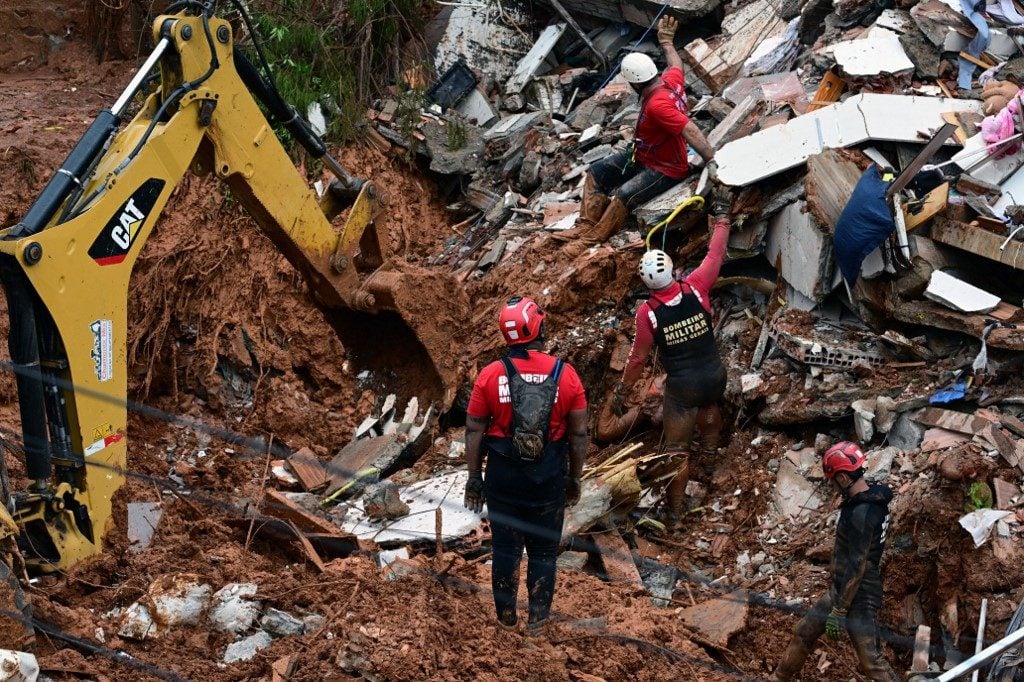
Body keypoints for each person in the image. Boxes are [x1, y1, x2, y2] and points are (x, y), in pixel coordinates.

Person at [462, 296, 589, 632]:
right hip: (546, 480)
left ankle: (505, 621)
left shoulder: (491, 375)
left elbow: (474, 429)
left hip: (502, 479)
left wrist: (474, 478)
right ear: (537, 327)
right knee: (544, 554)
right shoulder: (567, 376)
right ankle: (537, 623)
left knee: (505, 549)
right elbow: (578, 436)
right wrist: (574, 479)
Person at [610, 197, 731, 529]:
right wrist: (722, 219)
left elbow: (637, 359)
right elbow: (715, 254)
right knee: (710, 408)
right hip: (715, 375)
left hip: (683, 387)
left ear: (646, 284)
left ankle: (675, 514)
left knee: (676, 449)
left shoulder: (648, 313)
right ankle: (708, 464)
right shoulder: (696, 287)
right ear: (673, 269)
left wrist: (622, 392)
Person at [554, 15, 717, 251]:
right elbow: (675, 66)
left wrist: (710, 159)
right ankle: (584, 225)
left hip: (666, 167)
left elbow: (689, 129)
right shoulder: (670, 82)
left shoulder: (657, 106)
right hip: (643, 155)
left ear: (634, 83)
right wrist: (667, 44)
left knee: (624, 195)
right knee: (597, 173)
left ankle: (591, 239)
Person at [773, 441, 898, 682]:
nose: (831, 485)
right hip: (842, 588)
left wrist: (840, 609)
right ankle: (778, 677)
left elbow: (858, 563)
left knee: (871, 661)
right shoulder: (868, 500)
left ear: (842, 478)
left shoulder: (863, 512)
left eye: (832, 480)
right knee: (804, 632)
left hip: (859, 594)